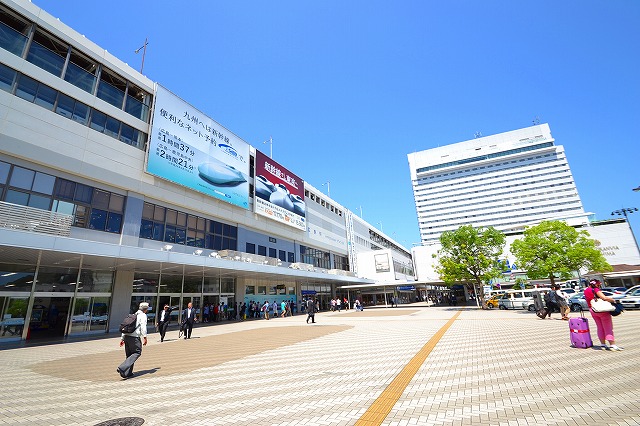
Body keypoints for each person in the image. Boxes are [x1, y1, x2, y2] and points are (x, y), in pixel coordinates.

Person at [585, 279, 623, 351]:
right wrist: (614, 300)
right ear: (596, 284)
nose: (599, 286)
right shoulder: (595, 289)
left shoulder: (586, 290)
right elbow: (604, 298)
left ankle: (603, 344)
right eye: (599, 285)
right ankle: (612, 345)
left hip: (593, 310)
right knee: (608, 327)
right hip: (602, 310)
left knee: (600, 327)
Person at [117, 302, 148, 379]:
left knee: (129, 355)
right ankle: (122, 367)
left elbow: (126, 326)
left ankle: (127, 373)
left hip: (127, 336)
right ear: (146, 309)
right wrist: (145, 337)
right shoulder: (143, 316)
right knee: (137, 352)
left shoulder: (133, 315)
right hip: (134, 338)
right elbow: (143, 327)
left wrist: (122, 338)